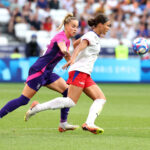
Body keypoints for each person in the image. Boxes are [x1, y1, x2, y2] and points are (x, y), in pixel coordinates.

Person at [25, 13, 111, 134]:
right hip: (79, 71)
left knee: (100, 99)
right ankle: (37, 108)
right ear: (100, 25)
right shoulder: (91, 36)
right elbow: (79, 47)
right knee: (70, 101)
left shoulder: (92, 36)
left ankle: (89, 123)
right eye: (107, 25)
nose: (109, 28)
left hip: (85, 72)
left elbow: (76, 44)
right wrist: (73, 59)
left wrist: (77, 56)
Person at [0, 13, 79, 132]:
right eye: (73, 26)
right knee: (23, 100)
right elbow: (62, 48)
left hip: (47, 73)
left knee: (67, 92)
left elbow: (67, 57)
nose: (75, 29)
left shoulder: (67, 41)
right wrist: (67, 54)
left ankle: (63, 123)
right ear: (66, 25)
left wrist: (73, 63)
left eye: (76, 27)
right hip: (39, 70)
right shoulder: (60, 37)